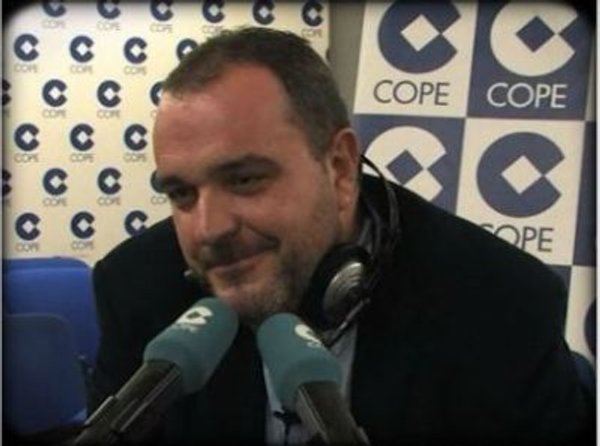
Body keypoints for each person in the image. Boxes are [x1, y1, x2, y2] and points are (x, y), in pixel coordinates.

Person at [89, 27, 592, 445]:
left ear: (340, 168)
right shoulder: (135, 289)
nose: (209, 228)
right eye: (181, 194)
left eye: (244, 180)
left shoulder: (499, 303)